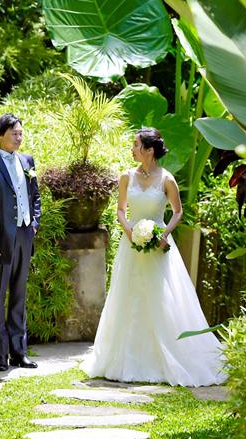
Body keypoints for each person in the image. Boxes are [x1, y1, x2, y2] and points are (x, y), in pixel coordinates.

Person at [81, 127, 226, 386]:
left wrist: (163, 234)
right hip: (131, 246)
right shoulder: (126, 177)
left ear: (149, 150)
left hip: (159, 247)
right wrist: (129, 231)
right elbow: (121, 210)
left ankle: (166, 357)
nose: (132, 149)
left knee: (162, 299)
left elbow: (178, 212)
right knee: (128, 297)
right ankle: (126, 359)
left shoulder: (167, 179)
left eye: (136, 145)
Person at [0, 113, 41, 372]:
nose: (18, 137)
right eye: (14, 133)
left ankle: (19, 353)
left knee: (19, 296)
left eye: (21, 133)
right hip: (0, 241)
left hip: (25, 235)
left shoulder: (27, 161)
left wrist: (34, 223)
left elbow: (35, 196)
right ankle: (1, 355)